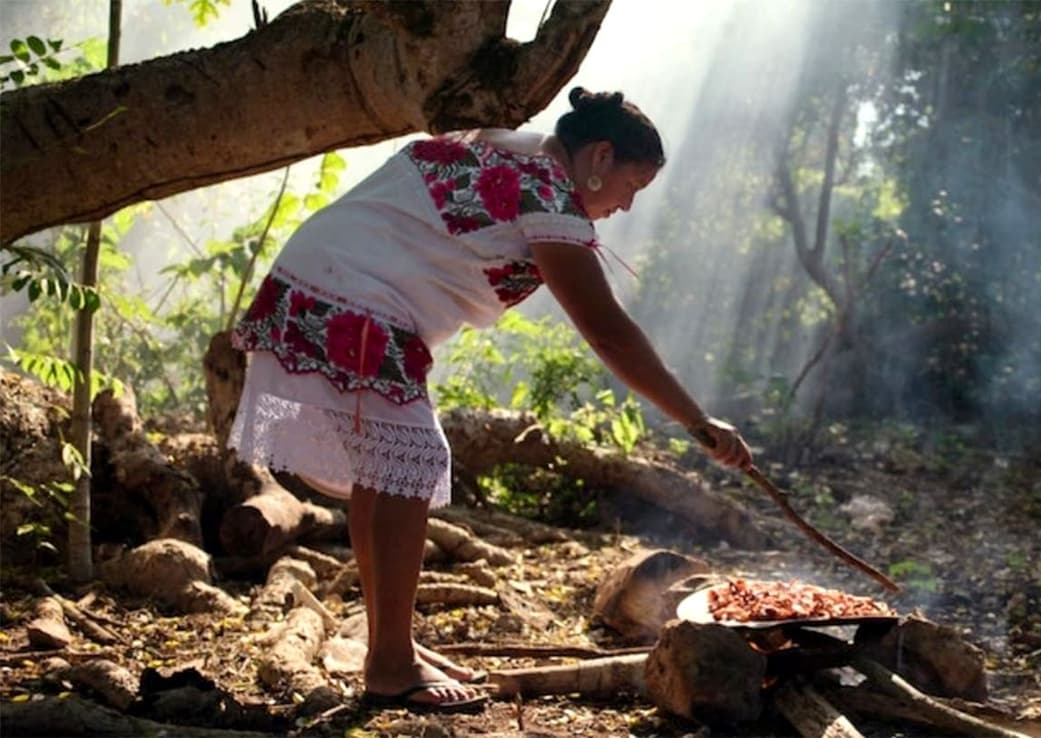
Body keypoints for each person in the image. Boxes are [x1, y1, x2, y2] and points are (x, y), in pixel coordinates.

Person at [227, 87, 754, 713]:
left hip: (319, 280)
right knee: (410, 459)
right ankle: (391, 664)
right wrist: (696, 420)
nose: (623, 207)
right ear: (601, 155)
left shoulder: (509, 144)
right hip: (352, 299)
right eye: (629, 187)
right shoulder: (548, 194)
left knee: (392, 464)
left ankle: (391, 647)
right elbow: (607, 331)